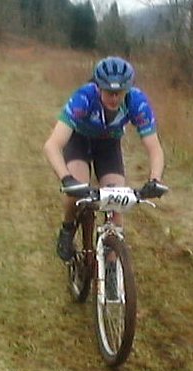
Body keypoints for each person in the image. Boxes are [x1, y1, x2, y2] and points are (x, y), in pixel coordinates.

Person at [43, 56, 168, 261]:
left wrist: (155, 179)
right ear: (99, 87)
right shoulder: (84, 97)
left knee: (115, 205)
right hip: (79, 141)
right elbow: (52, 145)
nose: (114, 98)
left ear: (128, 89)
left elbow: (155, 148)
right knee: (77, 191)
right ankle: (67, 228)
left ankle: (111, 268)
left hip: (108, 145)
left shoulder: (137, 102)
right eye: (109, 92)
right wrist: (66, 179)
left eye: (120, 92)